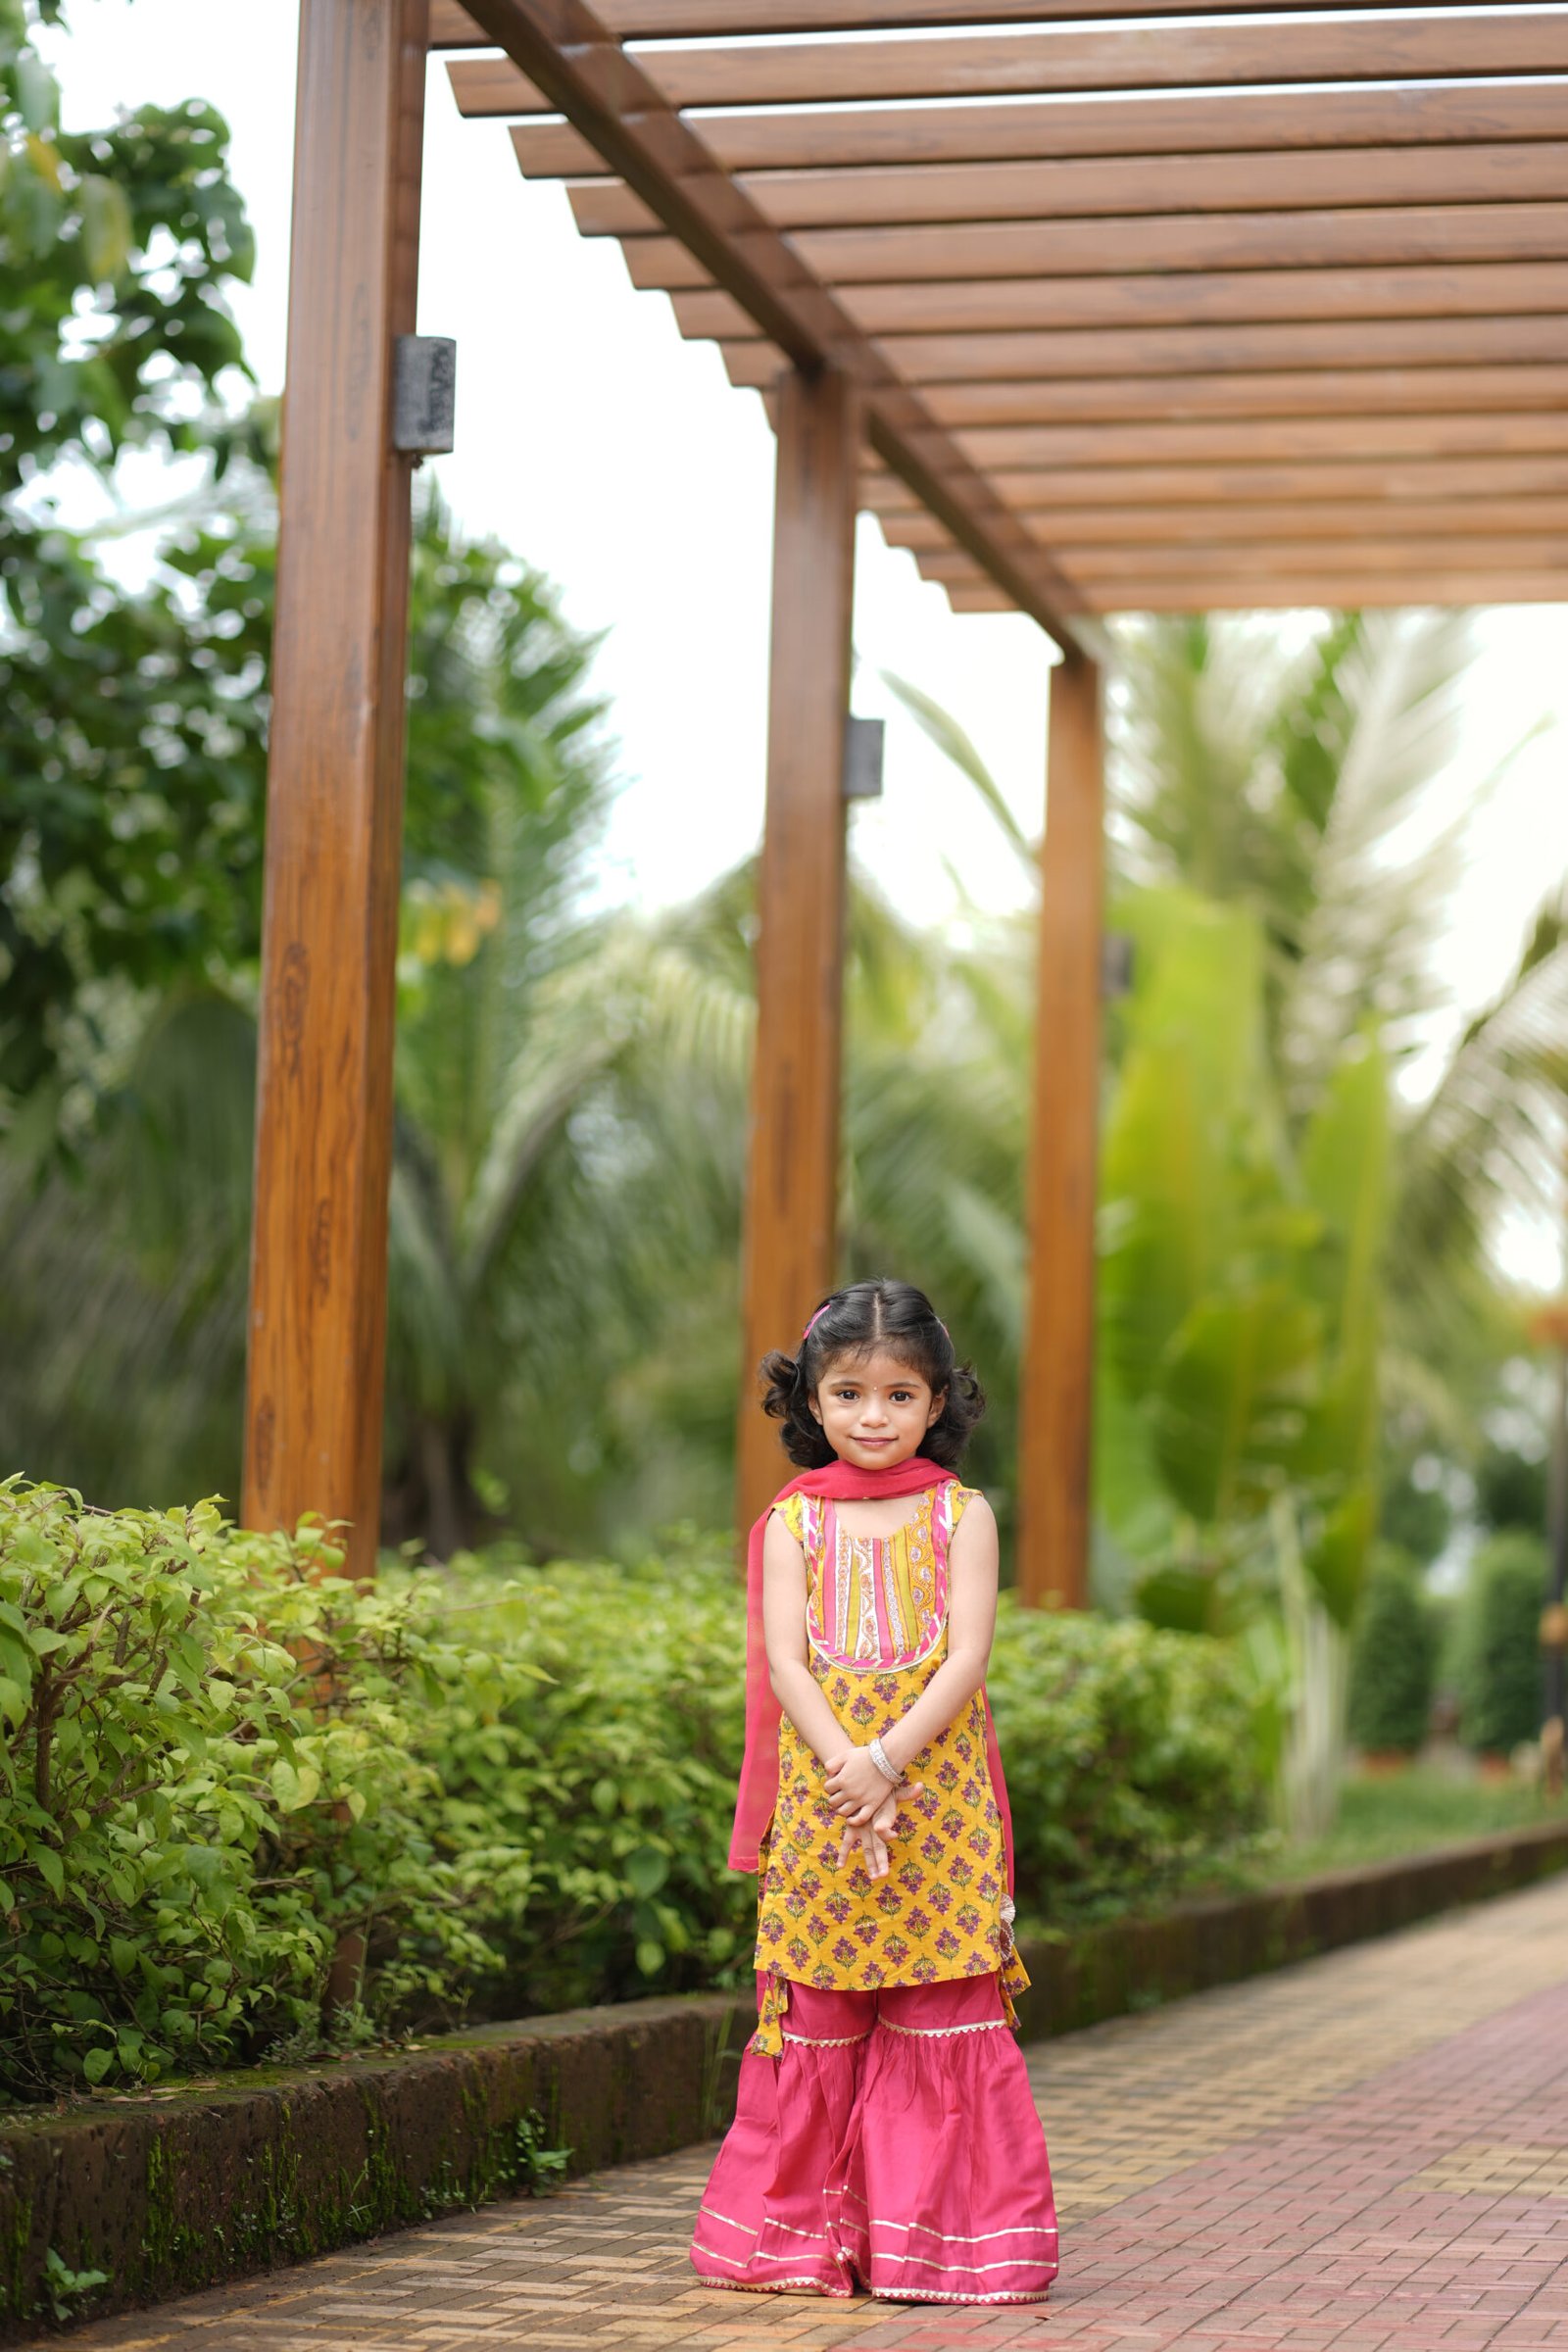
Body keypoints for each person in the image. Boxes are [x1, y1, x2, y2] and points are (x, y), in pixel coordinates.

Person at [689, 1276, 1057, 2304]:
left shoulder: (963, 1515)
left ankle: (944, 2250)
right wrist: (850, 1773)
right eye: (849, 1394)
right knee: (818, 2009)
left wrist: (885, 1762)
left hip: (939, 1798)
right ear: (811, 1401)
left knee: (941, 2005)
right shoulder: (792, 1524)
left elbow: (967, 1657)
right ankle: (799, 2246)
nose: (874, 1416)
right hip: (823, 1799)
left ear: (938, 1402)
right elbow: (786, 1664)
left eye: (900, 1395)